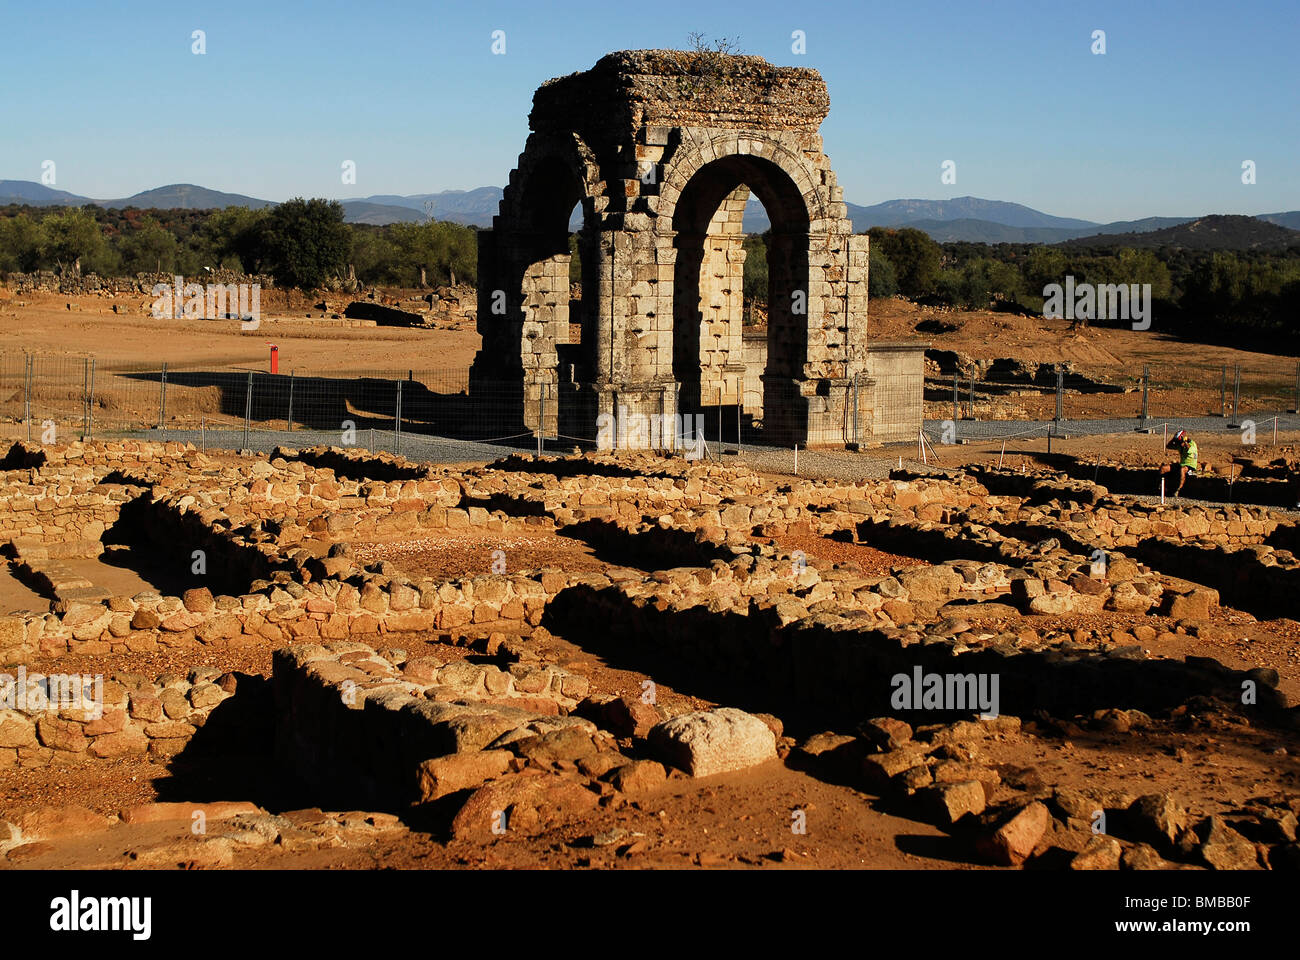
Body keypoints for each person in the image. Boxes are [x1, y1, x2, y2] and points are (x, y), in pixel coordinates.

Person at [1160, 429, 1198, 496]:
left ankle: (1178, 490)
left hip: (1190, 465)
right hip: (1182, 464)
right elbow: (1168, 446)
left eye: (1179, 441)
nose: (1178, 443)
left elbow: (1188, 448)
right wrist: (1173, 439)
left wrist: (1185, 441)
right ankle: (1163, 487)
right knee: (1163, 468)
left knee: (1182, 470)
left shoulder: (1192, 444)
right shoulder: (1180, 445)